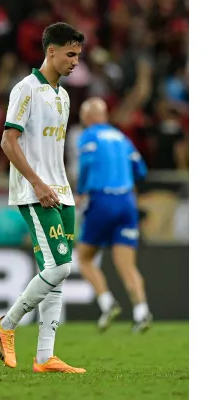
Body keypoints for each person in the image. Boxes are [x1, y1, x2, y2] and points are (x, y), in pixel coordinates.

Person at [0, 22, 86, 373]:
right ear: (51, 51)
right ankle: (7, 324)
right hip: (36, 191)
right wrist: (38, 183)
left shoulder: (63, 96)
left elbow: (52, 150)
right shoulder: (26, 90)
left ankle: (45, 356)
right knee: (61, 266)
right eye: (71, 54)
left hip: (61, 190)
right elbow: (7, 141)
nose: (76, 61)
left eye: (78, 54)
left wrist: (63, 185)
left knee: (55, 273)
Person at [75, 97, 153, 333]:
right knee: (126, 264)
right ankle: (142, 312)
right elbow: (141, 170)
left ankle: (107, 303)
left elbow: (86, 165)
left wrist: (80, 192)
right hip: (127, 201)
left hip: (102, 200)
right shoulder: (123, 138)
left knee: (85, 257)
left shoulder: (88, 136)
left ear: (88, 117)